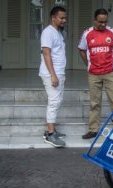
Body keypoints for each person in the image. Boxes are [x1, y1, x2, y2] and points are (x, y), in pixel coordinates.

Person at [78, 8, 113, 139]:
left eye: (105, 22)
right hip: (94, 74)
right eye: (100, 22)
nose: (103, 24)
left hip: (110, 72)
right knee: (94, 103)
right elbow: (81, 49)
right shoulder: (87, 34)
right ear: (94, 20)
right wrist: (88, 64)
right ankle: (93, 129)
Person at [39, 6, 67, 147]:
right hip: (51, 73)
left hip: (59, 73)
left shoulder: (58, 33)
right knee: (54, 101)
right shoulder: (48, 33)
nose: (64, 20)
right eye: (61, 18)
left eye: (64, 18)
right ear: (53, 17)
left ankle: (51, 129)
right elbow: (46, 54)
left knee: (57, 100)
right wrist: (53, 75)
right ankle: (50, 135)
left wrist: (60, 75)